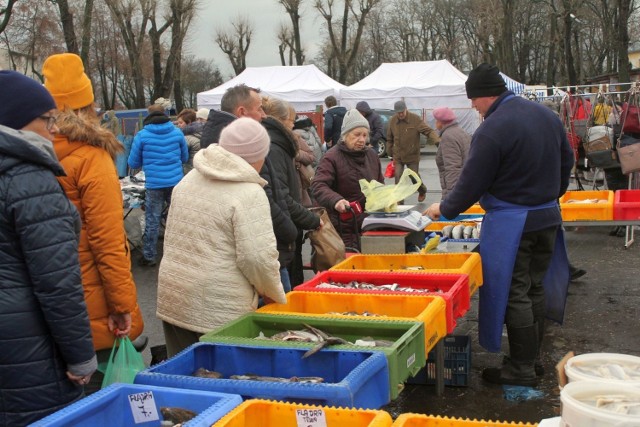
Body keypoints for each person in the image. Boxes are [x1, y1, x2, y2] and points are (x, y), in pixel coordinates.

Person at [423, 63, 574, 387]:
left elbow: (471, 182)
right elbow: (567, 160)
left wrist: (444, 208)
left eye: (473, 101)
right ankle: (530, 361)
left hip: (514, 224)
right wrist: (551, 195)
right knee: (534, 288)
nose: (473, 108)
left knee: (515, 292)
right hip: (548, 217)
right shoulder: (547, 115)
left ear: (483, 95)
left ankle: (520, 368)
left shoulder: (493, 129)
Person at [42, 53, 145, 392]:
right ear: (89, 103)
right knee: (103, 396)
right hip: (93, 301)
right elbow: (107, 239)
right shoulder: (91, 155)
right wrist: (121, 305)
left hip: (48, 297)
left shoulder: (34, 149)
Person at [0, 71, 97, 425]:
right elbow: (57, 283)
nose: (54, 128)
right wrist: (80, 356)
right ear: (17, 119)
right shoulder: (29, 179)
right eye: (47, 119)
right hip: (28, 344)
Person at [156, 118, 287, 357]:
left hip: (175, 296)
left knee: (182, 378)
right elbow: (257, 259)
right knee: (222, 381)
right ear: (257, 156)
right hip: (218, 307)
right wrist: (274, 295)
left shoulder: (188, 180)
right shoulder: (249, 193)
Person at [262, 97, 321, 290]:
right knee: (288, 286)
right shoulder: (275, 148)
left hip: (289, 222)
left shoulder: (279, 144)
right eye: (291, 120)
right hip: (284, 229)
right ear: (281, 120)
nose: (294, 124)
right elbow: (281, 197)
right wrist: (308, 219)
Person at [313, 109, 384, 251]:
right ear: (345, 135)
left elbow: (380, 185)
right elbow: (318, 185)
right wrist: (336, 200)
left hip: (369, 225)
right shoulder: (331, 157)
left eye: (365, 135)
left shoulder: (372, 156)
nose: (362, 139)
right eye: (357, 135)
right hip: (342, 229)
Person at [128, 103, 188, 266]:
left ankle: (149, 256)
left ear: (148, 115)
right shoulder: (177, 132)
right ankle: (180, 255)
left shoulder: (142, 135)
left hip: (154, 184)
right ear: (166, 114)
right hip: (176, 182)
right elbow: (185, 158)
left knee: (152, 219)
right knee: (177, 218)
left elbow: (133, 162)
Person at [387, 100, 440, 203]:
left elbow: (428, 131)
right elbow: (389, 138)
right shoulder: (392, 121)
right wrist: (390, 152)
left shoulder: (415, 119)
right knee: (398, 177)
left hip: (412, 155)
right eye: (398, 113)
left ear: (406, 109)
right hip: (398, 155)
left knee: (414, 177)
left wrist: (437, 141)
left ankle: (422, 190)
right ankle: (399, 202)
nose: (401, 114)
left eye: (402, 112)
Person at [200, 84, 266, 148]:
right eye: (259, 109)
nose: (264, 115)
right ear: (242, 112)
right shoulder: (237, 145)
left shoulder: (217, 136)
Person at [433, 107, 471, 199]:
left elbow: (452, 168)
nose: (435, 123)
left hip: (458, 190)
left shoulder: (448, 137)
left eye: (436, 120)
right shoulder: (460, 131)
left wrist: (452, 197)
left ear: (440, 122)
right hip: (467, 184)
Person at [176, 108, 202, 174]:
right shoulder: (202, 132)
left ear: (189, 121)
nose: (178, 125)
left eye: (181, 123)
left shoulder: (186, 138)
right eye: (178, 123)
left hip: (189, 172)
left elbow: (180, 156)